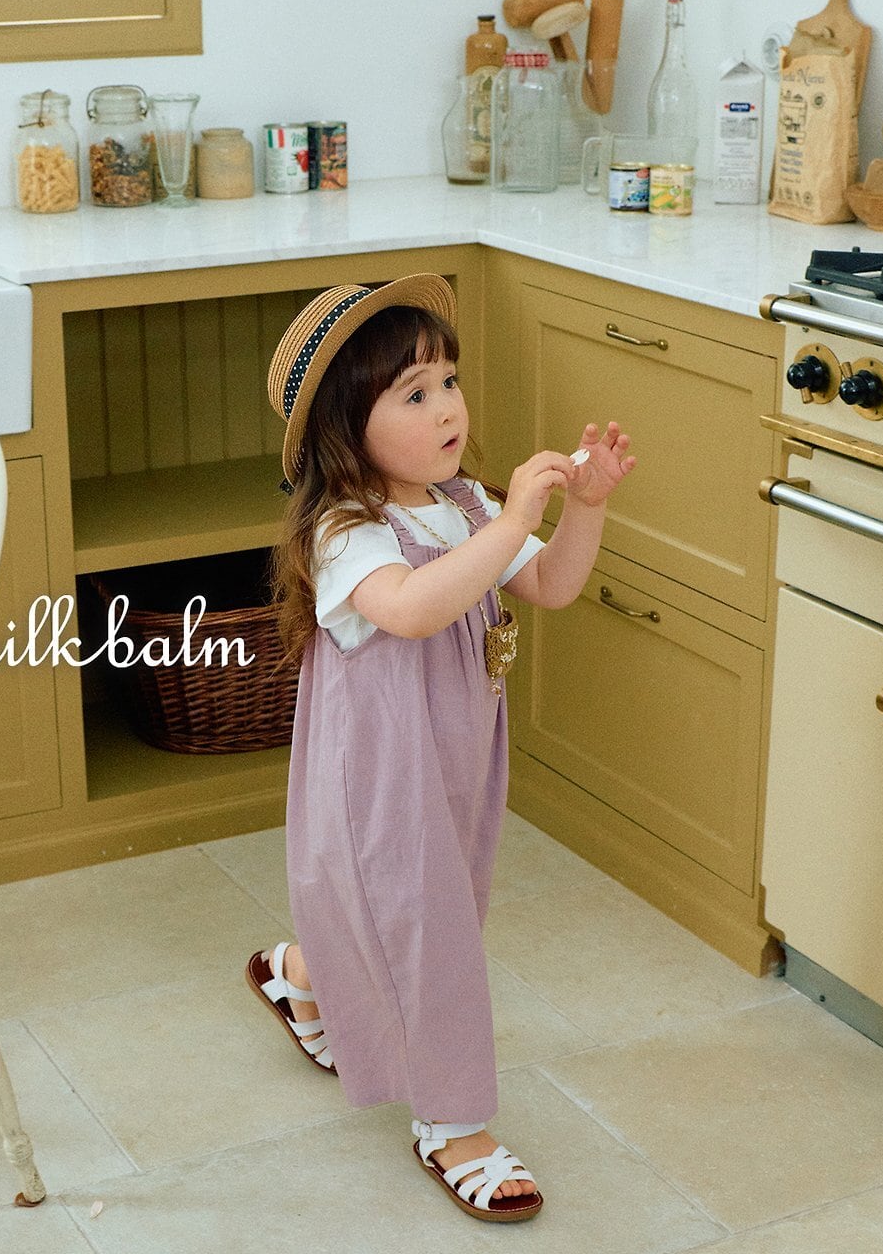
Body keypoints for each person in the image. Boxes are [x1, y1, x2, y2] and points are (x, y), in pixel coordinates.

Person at [246, 273, 635, 1223]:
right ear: (347, 427)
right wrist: (514, 520)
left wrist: (584, 506)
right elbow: (413, 609)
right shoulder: (345, 530)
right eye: (413, 394)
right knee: (427, 929)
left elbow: (548, 586)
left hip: (457, 748)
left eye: (449, 381)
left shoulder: (458, 503)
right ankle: (454, 1124)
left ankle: (301, 975)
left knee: (423, 904)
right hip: (381, 767)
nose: (448, 407)